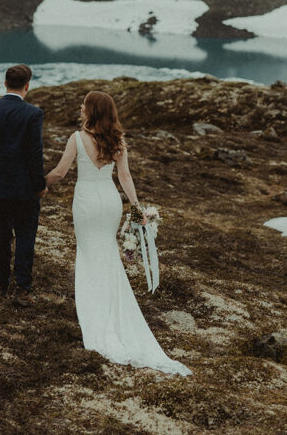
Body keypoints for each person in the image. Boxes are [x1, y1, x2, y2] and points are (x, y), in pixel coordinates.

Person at [45, 90, 191, 374]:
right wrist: (136, 208)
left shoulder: (77, 138)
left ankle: (95, 314)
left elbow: (61, 173)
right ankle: (112, 306)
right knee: (108, 254)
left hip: (87, 204)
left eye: (84, 104)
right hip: (110, 202)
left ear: (92, 110)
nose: (80, 106)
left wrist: (37, 183)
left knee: (88, 255)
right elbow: (124, 177)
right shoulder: (118, 140)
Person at [0, 63, 47, 307]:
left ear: (5, 83)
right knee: (25, 236)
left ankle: (0, 282)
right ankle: (23, 288)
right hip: (24, 189)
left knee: (1, 235)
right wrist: (39, 185)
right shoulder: (33, 114)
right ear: (27, 86)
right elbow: (34, 154)